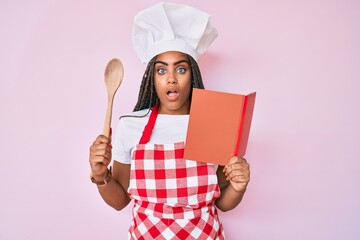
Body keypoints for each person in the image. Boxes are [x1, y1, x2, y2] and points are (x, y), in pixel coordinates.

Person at [89, 2, 250, 239]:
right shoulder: (131, 126)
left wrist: (238, 186)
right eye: (162, 70)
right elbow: (120, 200)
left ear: (192, 74)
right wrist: (100, 175)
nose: (171, 79)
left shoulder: (213, 121)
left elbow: (223, 202)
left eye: (181, 69)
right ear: (151, 77)